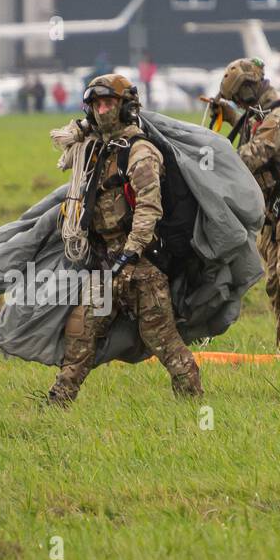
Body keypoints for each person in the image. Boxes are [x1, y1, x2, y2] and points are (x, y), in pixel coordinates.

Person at [46, 74, 202, 405]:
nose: (102, 111)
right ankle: (58, 402)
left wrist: (130, 255)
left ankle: (192, 401)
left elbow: (149, 207)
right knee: (81, 333)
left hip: (140, 264)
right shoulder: (96, 150)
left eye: (109, 103)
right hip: (104, 263)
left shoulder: (140, 151)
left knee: (163, 340)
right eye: (96, 104)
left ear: (125, 107)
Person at [210, 58, 280, 352]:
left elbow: (255, 153)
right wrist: (230, 115)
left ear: (248, 88)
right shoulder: (261, 113)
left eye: (237, 97)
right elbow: (255, 130)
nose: (236, 102)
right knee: (276, 285)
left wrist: (213, 159)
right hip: (274, 211)